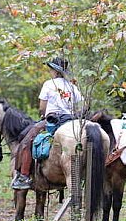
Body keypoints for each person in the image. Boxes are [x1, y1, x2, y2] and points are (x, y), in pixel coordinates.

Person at [11, 57, 83, 190]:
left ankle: (24, 176)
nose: (50, 72)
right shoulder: (72, 86)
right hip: (70, 121)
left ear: (55, 71)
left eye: (50, 70)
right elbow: (80, 103)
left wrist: (43, 114)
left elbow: (42, 107)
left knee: (27, 141)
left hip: (53, 121)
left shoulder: (49, 84)